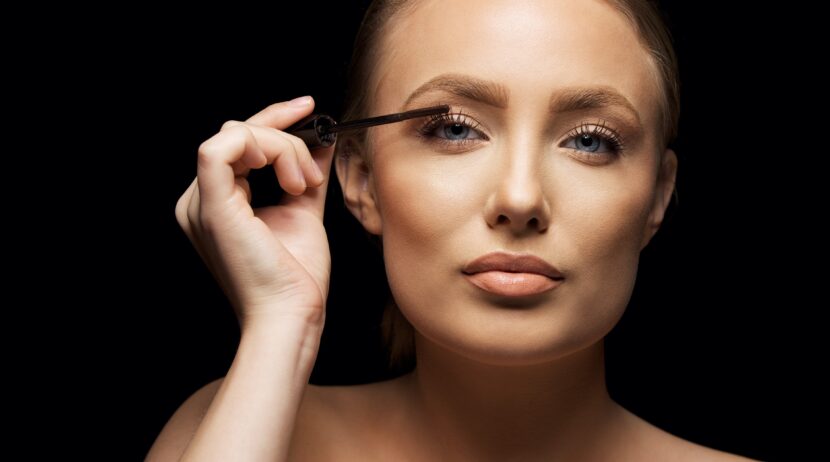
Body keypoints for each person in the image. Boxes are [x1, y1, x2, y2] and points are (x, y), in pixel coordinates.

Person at [147, 0, 757, 460]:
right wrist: (281, 325)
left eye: (591, 140)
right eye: (456, 129)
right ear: (360, 179)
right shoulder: (227, 430)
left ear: (657, 195)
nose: (520, 199)